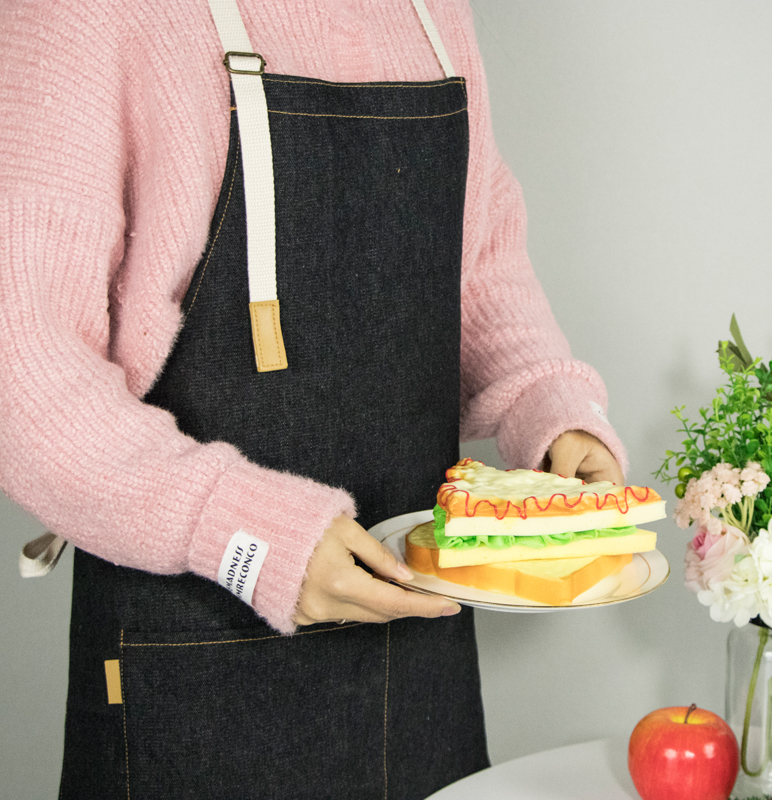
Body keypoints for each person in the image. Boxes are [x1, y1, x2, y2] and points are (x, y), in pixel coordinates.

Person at [0, 0, 626, 797]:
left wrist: (549, 404)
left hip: (418, 655)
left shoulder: (434, 11)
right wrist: (242, 534)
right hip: (193, 664)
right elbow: (21, 366)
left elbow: (479, 265)